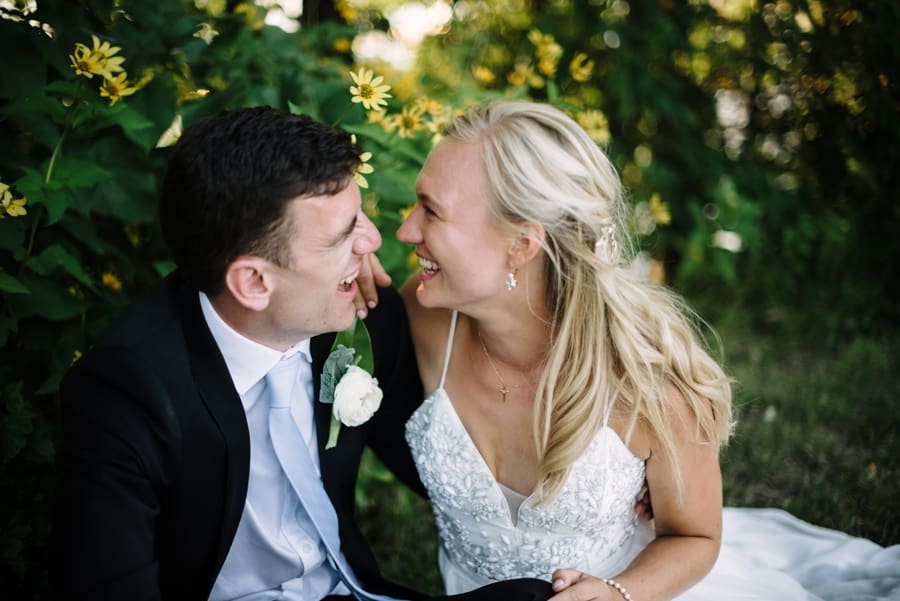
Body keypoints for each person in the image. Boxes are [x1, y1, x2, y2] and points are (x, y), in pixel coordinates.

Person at [396, 100, 900, 601]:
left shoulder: (647, 383)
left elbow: (695, 536)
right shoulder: (424, 314)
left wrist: (617, 593)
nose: (405, 231)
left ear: (522, 244)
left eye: (432, 211)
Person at [53, 106, 553, 601]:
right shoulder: (127, 392)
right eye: (343, 235)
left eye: (360, 217)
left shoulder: (357, 317)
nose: (375, 241)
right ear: (253, 282)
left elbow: (440, 464)